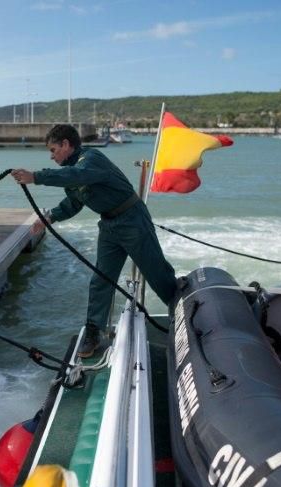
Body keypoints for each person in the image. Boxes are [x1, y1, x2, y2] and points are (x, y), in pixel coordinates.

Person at [11, 124, 178, 358]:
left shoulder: (92, 158)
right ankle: (93, 331)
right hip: (109, 225)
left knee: (155, 270)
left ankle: (182, 313)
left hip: (132, 220)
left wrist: (36, 177)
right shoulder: (73, 171)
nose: (51, 155)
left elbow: (78, 175)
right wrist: (49, 217)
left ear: (66, 145)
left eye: (53, 150)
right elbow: (74, 203)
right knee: (101, 278)